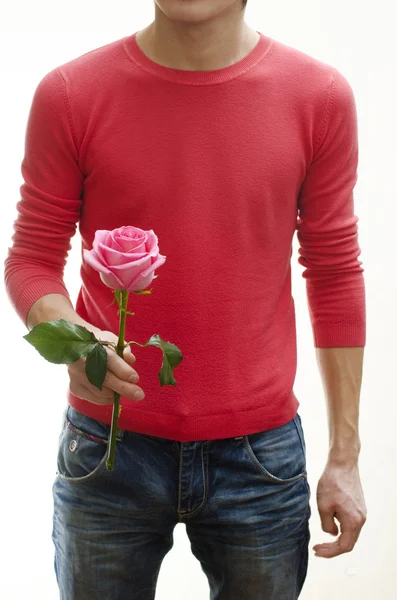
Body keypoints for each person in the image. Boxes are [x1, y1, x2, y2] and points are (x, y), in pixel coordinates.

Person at [4, 1, 367, 598]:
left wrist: (346, 456)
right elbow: (32, 258)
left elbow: (333, 272)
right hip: (108, 442)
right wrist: (70, 338)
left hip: (260, 458)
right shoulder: (71, 93)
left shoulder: (318, 96)